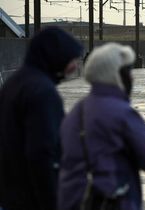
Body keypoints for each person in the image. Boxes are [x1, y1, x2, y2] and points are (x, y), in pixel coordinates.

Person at [58, 43, 145, 210]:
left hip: (74, 200)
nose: (132, 78)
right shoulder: (122, 113)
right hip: (114, 201)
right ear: (116, 75)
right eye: (128, 72)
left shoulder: (76, 111)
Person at [0, 27, 83, 210]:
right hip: (33, 198)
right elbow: (42, 153)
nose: (75, 66)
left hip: (11, 193)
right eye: (72, 59)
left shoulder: (15, 82)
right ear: (55, 57)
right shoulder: (42, 92)